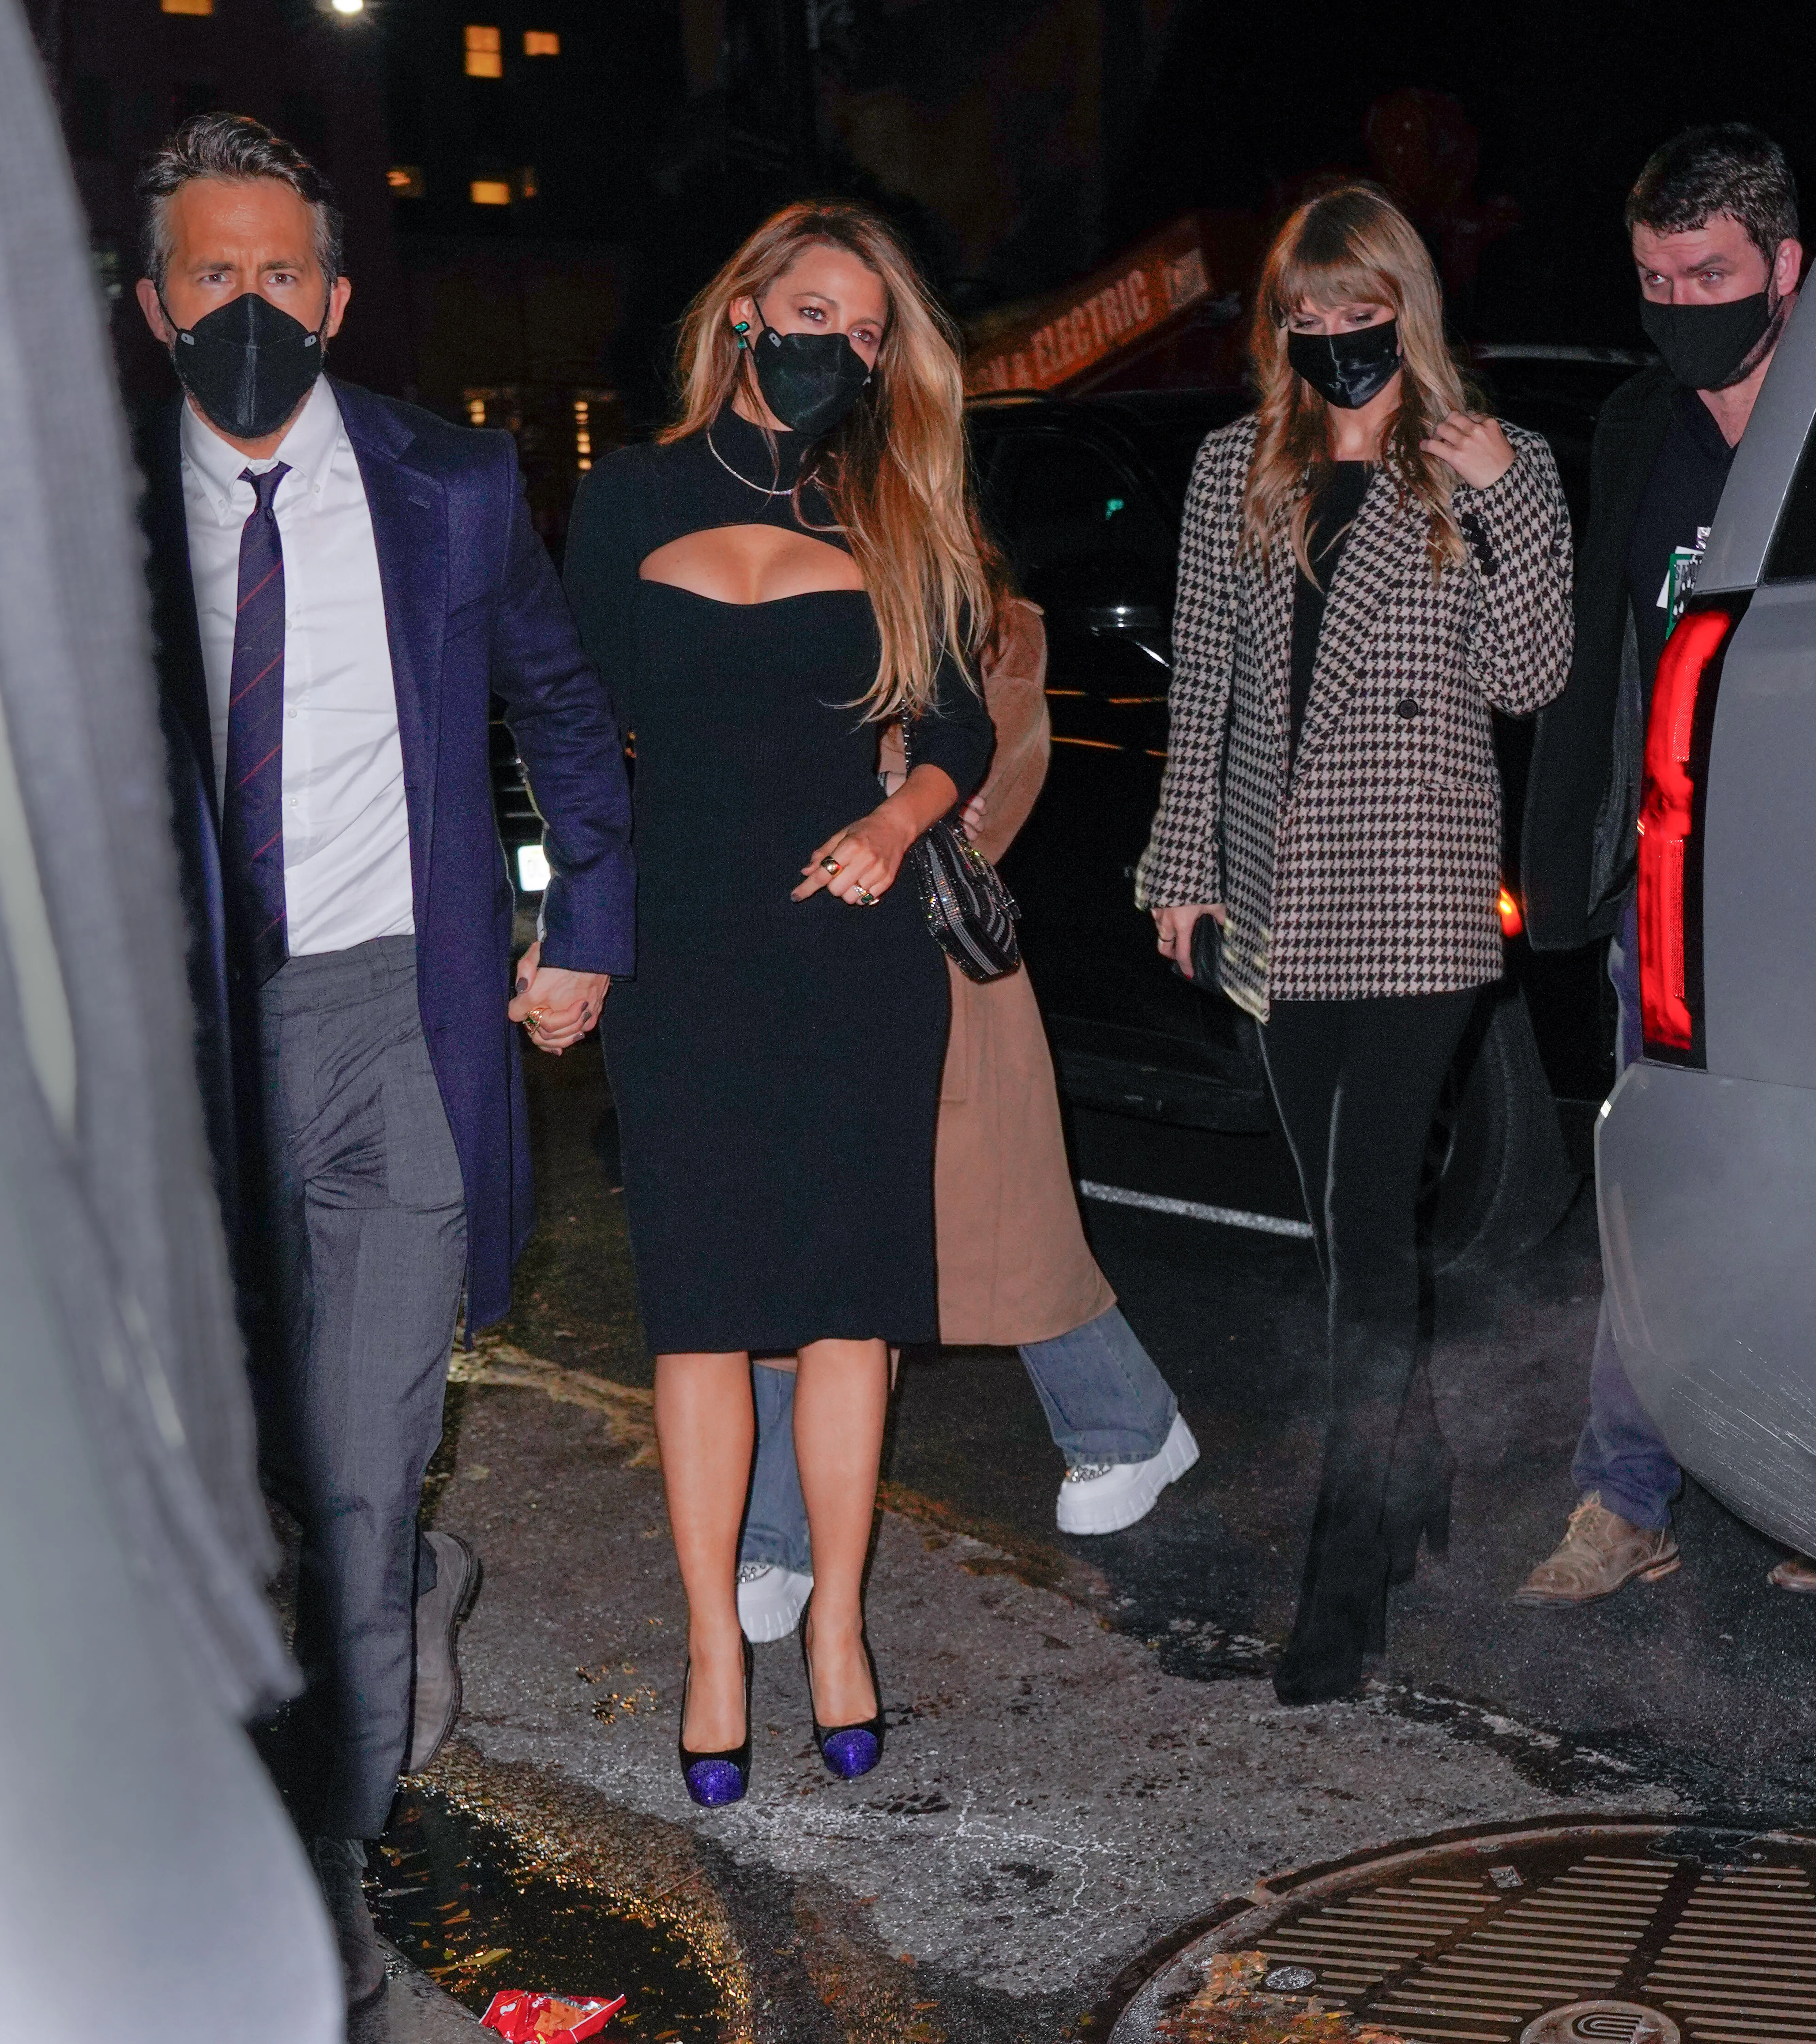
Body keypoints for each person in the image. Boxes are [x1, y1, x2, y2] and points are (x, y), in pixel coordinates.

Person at [134, 115, 635, 2010]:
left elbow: (559, 703)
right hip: (183, 1054)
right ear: (152, 302)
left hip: (390, 1025)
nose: (248, 305)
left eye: (281, 275)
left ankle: (333, 1858)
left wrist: (587, 923)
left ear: (334, 300)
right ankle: (396, 1603)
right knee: (242, 1452)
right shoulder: (81, 525)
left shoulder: (449, 486)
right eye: (212, 274)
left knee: (360, 1457)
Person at [563, 203, 995, 1806]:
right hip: (682, 953)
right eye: (815, 311)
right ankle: (707, 1649)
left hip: (853, 956)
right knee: (699, 1309)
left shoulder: (898, 505)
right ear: (744, 315)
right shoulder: (627, 499)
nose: (843, 346)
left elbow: (960, 723)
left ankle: (836, 1634)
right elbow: (563, 730)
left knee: (844, 1308)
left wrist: (896, 824)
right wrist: (567, 930)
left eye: (870, 329)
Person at [1137, 183, 1573, 1705]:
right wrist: (1178, 869)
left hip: (1419, 900)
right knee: (1345, 1229)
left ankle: (1347, 1576)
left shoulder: (1476, 467)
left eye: (1358, 311)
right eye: (1306, 316)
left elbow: (1532, 677)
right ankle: (1426, 1456)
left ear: (1407, 307)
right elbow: (1205, 692)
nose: (1333, 338)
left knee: (1368, 1241)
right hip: (1277, 898)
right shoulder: (1229, 472)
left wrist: (1510, 489)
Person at [736, 592, 1199, 1644]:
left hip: (935, 965)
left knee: (987, 1224)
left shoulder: (989, 619)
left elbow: (999, 787)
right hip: (793, 966)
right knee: (813, 1245)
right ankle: (779, 1527)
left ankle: (1125, 1424)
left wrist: (906, 793)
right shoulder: (779, 593)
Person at [1518, 125, 1812, 1606]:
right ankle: (1621, 1500)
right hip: (1673, 895)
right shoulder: (1639, 428)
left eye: (1710, 271)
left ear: (1789, 269)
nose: (1680, 298)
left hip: (1803, 886)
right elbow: (1602, 673)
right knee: (1665, 1207)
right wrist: (1567, 874)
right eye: (1654, 274)